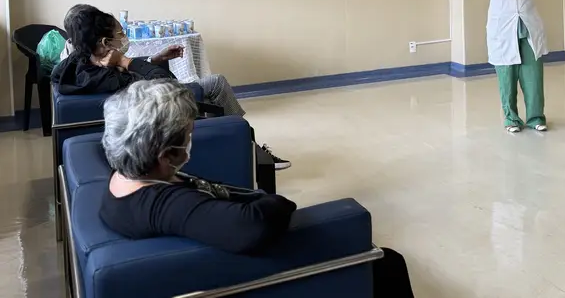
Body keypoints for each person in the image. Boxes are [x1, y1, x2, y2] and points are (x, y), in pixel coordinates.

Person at [100, 79, 414, 297]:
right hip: (256, 274)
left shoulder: (125, 176)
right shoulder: (164, 205)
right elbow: (250, 226)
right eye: (187, 136)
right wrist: (277, 201)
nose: (191, 141)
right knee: (388, 263)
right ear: (165, 154)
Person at [52, 4, 290, 169]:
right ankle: (249, 145)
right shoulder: (106, 76)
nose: (123, 39)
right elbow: (167, 86)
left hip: (148, 100)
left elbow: (129, 74)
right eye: (120, 34)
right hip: (162, 105)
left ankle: (244, 145)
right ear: (105, 42)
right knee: (216, 83)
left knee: (215, 92)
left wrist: (152, 60)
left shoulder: (79, 64)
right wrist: (126, 61)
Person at [467, 0, 565, 133]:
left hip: (527, 25)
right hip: (503, 27)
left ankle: (536, 117)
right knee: (507, 76)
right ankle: (511, 119)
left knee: (533, 75)